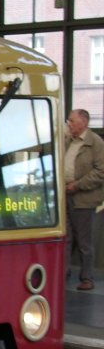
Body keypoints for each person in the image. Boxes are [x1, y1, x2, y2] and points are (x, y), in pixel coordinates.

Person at [64, 108, 104, 290]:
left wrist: (78, 184)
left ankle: (87, 278)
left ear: (84, 123)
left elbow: (100, 171)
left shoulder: (95, 143)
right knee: (66, 239)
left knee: (84, 241)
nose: (69, 124)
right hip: (65, 196)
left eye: (72, 121)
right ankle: (63, 274)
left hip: (84, 199)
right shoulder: (67, 142)